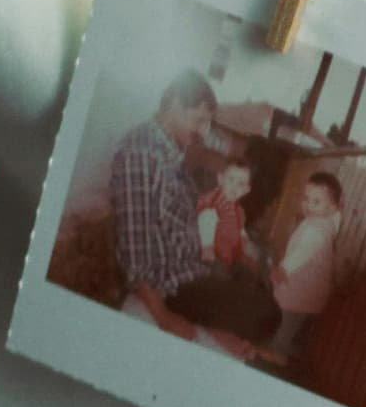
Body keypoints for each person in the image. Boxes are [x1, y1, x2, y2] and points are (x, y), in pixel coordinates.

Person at [103, 73, 277, 350]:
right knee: (267, 314)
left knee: (256, 282)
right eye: (199, 120)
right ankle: (213, 322)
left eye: (206, 123)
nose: (202, 131)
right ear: (174, 104)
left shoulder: (170, 150)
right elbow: (134, 251)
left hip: (196, 266)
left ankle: (216, 326)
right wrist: (163, 316)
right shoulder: (141, 154)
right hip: (174, 284)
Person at [261, 168, 351, 364]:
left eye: (316, 202)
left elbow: (302, 253)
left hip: (301, 291)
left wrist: (283, 269)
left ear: (331, 207)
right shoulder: (326, 222)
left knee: (287, 320)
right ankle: (288, 347)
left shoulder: (317, 230)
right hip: (306, 290)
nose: (308, 205)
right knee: (290, 322)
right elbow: (335, 218)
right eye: (306, 198)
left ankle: (279, 354)